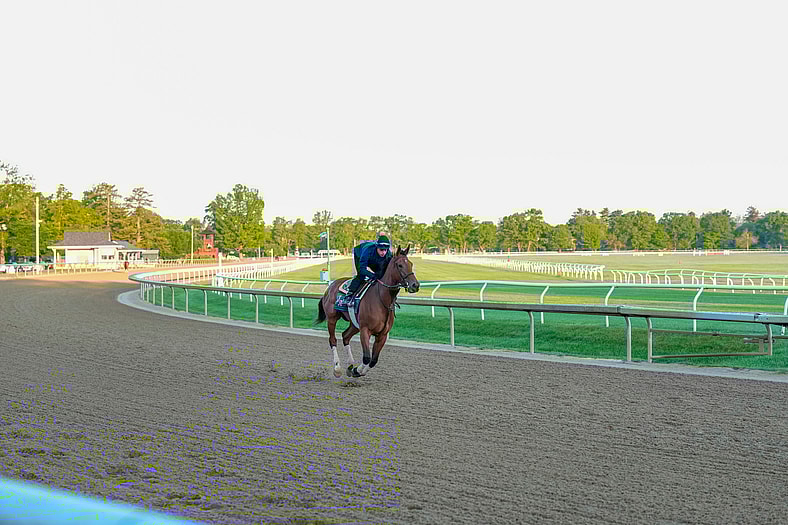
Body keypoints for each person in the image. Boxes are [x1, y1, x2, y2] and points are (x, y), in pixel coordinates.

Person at [342, 234, 393, 305]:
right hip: (360, 254)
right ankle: (349, 295)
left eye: (385, 250)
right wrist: (372, 276)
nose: (383, 252)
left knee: (381, 275)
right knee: (361, 275)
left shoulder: (389, 255)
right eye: (381, 250)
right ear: (376, 247)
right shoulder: (367, 251)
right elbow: (362, 269)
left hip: (374, 259)